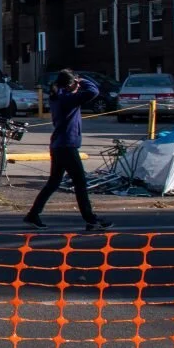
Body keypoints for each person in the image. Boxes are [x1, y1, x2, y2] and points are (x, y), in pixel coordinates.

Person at [24, 69, 111, 231]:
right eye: (75, 83)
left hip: (58, 145)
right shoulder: (68, 99)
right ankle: (91, 219)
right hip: (67, 146)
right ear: (70, 84)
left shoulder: (58, 97)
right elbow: (94, 91)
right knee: (80, 183)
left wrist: (75, 84)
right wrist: (82, 80)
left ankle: (33, 215)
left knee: (53, 182)